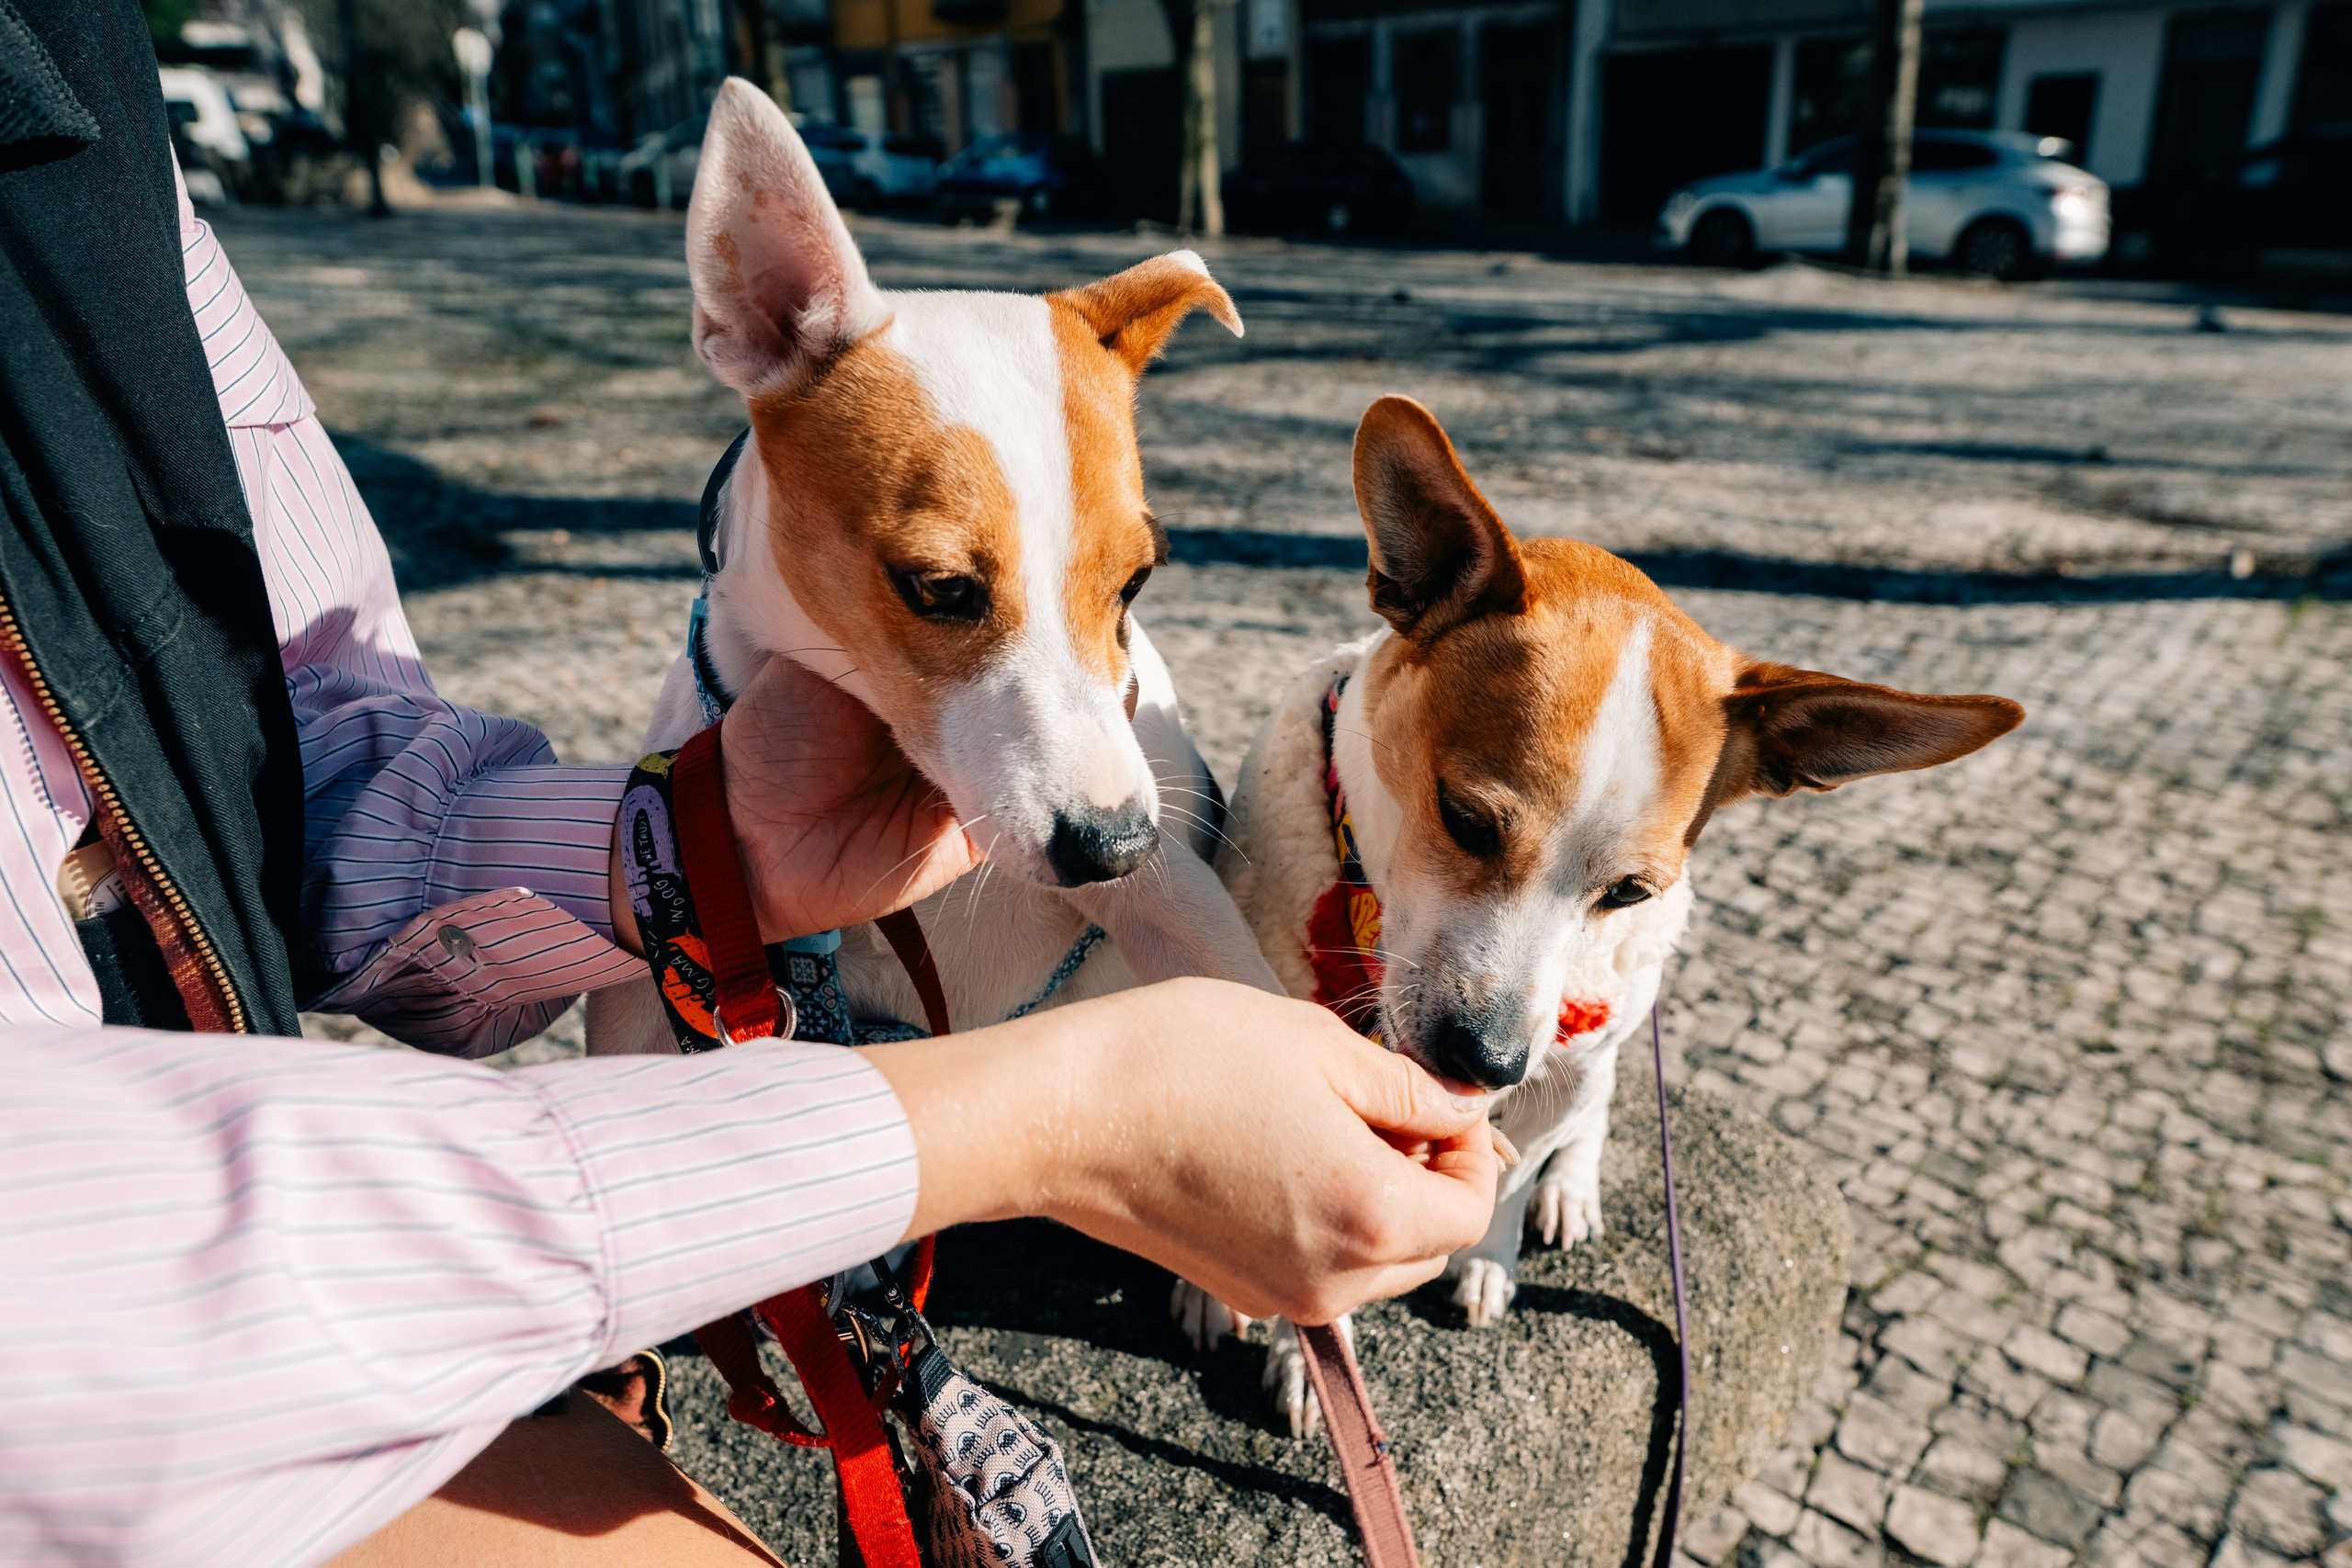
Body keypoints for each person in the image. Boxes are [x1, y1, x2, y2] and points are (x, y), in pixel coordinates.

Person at [0, 5, 1498, 1566]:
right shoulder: (802, 377)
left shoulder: (84, 102)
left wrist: (664, 844)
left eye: (1118, 588)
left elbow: (296, 741)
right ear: (755, 319)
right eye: (947, 592)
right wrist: (1044, 1120)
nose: (1102, 772)